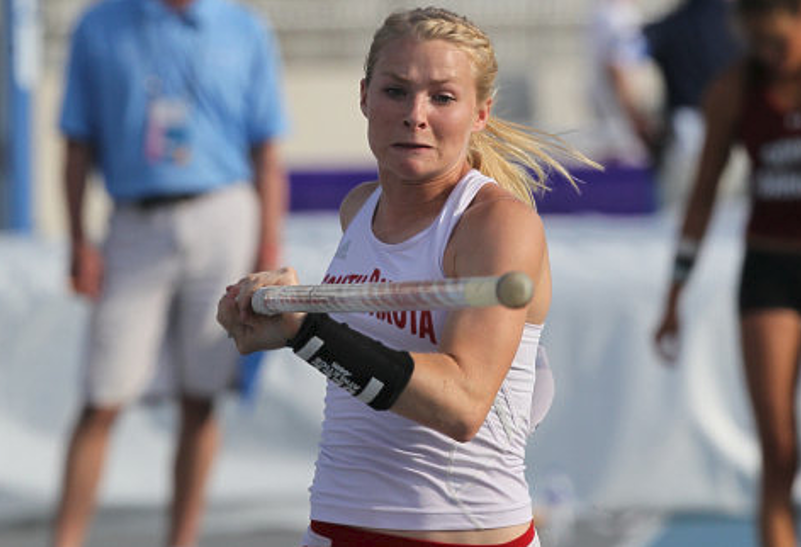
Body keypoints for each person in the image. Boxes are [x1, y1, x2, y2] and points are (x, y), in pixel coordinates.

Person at [217, 8, 593, 547]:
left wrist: (308, 334)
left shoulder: (496, 225)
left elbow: (463, 406)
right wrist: (273, 321)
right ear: (365, 96)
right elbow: (345, 351)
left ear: (480, 113)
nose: (416, 114)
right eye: (397, 92)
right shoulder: (358, 209)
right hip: (333, 529)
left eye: (442, 97)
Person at [653, 0, 801, 546]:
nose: (770, 56)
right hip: (771, 270)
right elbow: (702, 198)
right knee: (779, 454)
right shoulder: (736, 88)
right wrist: (674, 293)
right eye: (756, 43)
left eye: (778, 43)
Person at [52, 0, 289, 546]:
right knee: (102, 393)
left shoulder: (245, 28)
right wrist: (77, 238)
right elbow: (77, 140)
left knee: (201, 393)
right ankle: (64, 539)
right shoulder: (100, 25)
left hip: (222, 211)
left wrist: (267, 246)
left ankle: (181, 540)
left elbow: (266, 149)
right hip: (135, 220)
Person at [642, 0, 743, 209]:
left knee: (679, 214)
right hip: (734, 131)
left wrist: (639, 119)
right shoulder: (739, 25)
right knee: (729, 217)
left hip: (685, 132)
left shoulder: (670, 25)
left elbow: (624, 59)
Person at [586, 0, 657, 167]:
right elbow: (618, 70)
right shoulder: (617, 17)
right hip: (623, 126)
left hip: (616, 121)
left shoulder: (608, 13)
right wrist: (637, 119)